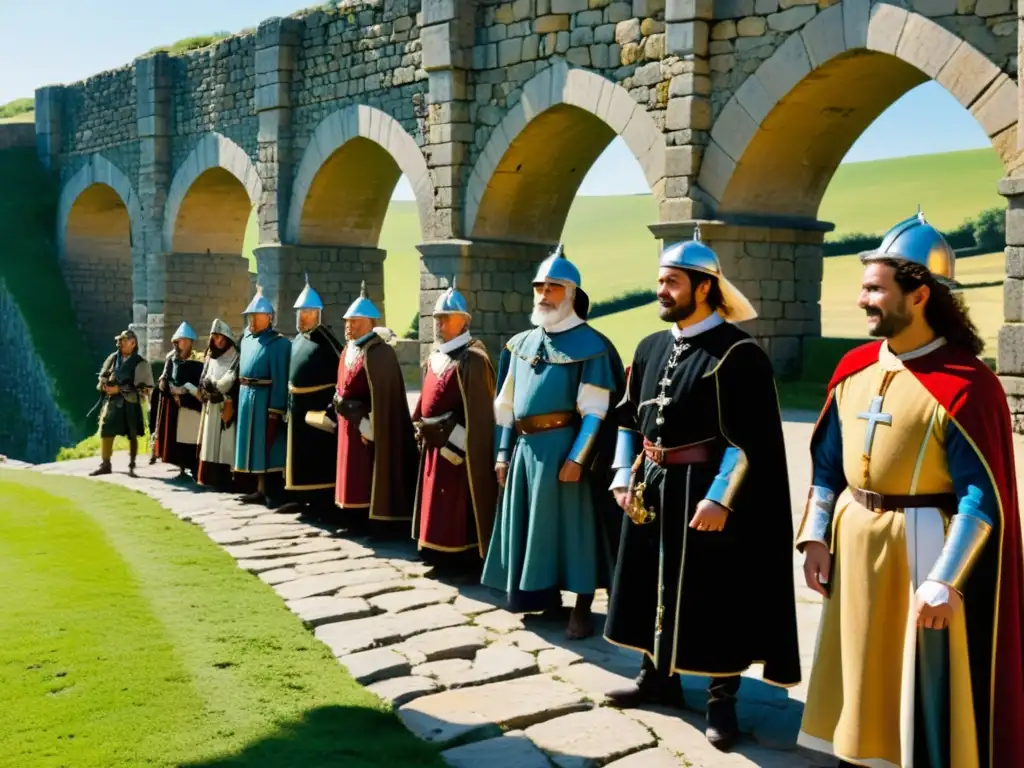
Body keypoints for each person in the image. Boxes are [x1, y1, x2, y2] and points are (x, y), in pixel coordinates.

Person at [796, 210, 1024, 768]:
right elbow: (827, 466)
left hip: (922, 549)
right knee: (856, 662)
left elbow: (980, 496)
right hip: (854, 542)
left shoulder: (968, 384)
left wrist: (945, 580)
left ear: (918, 294)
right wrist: (816, 537)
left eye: (875, 289)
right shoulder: (851, 369)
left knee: (920, 683)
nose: (863, 301)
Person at [601, 228, 800, 750]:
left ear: (705, 287)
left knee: (716, 593)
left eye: (672, 282)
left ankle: (721, 700)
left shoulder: (737, 354)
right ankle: (656, 678)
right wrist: (624, 474)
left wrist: (719, 498)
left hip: (705, 492)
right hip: (651, 483)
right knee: (649, 582)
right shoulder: (648, 347)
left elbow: (750, 438)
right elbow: (627, 420)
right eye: (660, 281)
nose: (661, 291)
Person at [481, 245, 625, 640]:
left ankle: (582, 607)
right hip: (525, 453)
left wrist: (579, 457)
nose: (544, 295)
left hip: (565, 450)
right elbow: (507, 406)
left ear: (572, 294)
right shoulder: (519, 344)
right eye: (539, 287)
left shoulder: (592, 346)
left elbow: (596, 410)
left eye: (554, 287)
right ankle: (542, 598)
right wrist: (502, 452)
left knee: (574, 531)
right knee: (535, 530)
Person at [411, 279, 498, 578]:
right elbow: (425, 398)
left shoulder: (473, 358)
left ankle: (464, 559)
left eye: (446, 318)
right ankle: (437, 553)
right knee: (436, 503)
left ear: (464, 322)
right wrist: (420, 425)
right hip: (434, 446)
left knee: (457, 506)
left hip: (458, 451)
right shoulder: (435, 356)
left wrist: (456, 444)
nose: (439, 323)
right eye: (437, 318)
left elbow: (481, 415)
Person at [332, 281, 418, 534]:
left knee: (366, 474)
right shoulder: (348, 348)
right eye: (347, 321)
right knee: (349, 473)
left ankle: (371, 519)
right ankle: (350, 517)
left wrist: (368, 423)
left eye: (355, 321)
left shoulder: (379, 353)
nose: (348, 326)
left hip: (367, 426)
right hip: (347, 423)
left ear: (370, 322)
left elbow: (384, 397)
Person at [277, 276, 343, 520]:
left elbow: (342, 369)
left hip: (316, 406)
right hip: (296, 405)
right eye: (299, 313)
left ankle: (320, 502)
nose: (301, 317)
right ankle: (299, 497)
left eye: (306, 312)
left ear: (317, 314)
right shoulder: (297, 340)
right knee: (298, 456)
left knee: (316, 456)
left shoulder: (326, 340)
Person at [234, 286, 291, 506]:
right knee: (252, 448)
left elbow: (280, 375)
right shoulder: (246, 339)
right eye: (250, 317)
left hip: (265, 400)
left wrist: (275, 408)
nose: (252, 322)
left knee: (269, 447)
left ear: (269, 317)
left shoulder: (279, 344)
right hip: (247, 397)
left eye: (257, 317)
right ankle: (258, 489)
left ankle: (273, 492)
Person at [90, 328, 155, 477]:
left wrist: (120, 389)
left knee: (132, 433)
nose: (119, 343)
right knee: (106, 429)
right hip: (113, 402)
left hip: (131, 402)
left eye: (123, 341)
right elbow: (103, 376)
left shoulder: (140, 363)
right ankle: (105, 463)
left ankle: (132, 464)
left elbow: (144, 387)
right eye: (119, 341)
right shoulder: (113, 358)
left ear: (133, 343)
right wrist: (105, 384)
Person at [153, 322, 204, 480]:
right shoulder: (171, 359)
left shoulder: (199, 359)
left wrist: (186, 390)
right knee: (176, 437)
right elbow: (166, 377)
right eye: (176, 341)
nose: (177, 344)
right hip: (174, 403)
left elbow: (200, 381)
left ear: (188, 341)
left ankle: (195, 469)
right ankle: (181, 469)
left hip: (191, 403)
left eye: (181, 340)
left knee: (192, 437)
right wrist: (166, 385)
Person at [194, 319, 240, 490]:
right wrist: (207, 389)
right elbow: (203, 380)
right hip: (210, 405)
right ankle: (208, 478)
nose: (218, 341)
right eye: (215, 338)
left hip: (225, 405)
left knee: (225, 444)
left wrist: (226, 396)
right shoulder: (210, 355)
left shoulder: (236, 356)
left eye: (221, 337)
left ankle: (225, 480)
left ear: (227, 338)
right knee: (209, 442)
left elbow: (233, 382)